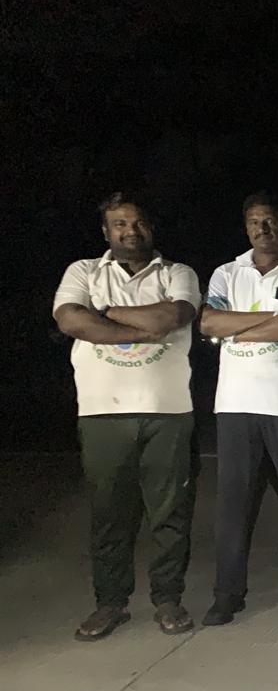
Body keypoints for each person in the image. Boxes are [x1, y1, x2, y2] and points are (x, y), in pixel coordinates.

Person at [53, 193, 201, 640]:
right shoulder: (84, 271)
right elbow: (70, 321)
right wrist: (140, 327)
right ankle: (111, 603)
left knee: (170, 514)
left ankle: (168, 599)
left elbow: (174, 315)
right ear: (106, 231)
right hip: (102, 412)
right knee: (109, 515)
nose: (129, 231)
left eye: (137, 223)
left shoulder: (177, 273)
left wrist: (103, 314)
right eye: (119, 224)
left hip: (168, 411)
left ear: (150, 227)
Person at [200, 192, 278, 627]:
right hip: (235, 405)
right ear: (246, 228)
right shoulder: (226, 273)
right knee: (233, 505)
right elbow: (209, 323)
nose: (262, 229)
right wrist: (269, 320)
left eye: (269, 221)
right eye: (254, 222)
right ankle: (227, 595)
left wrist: (236, 329)